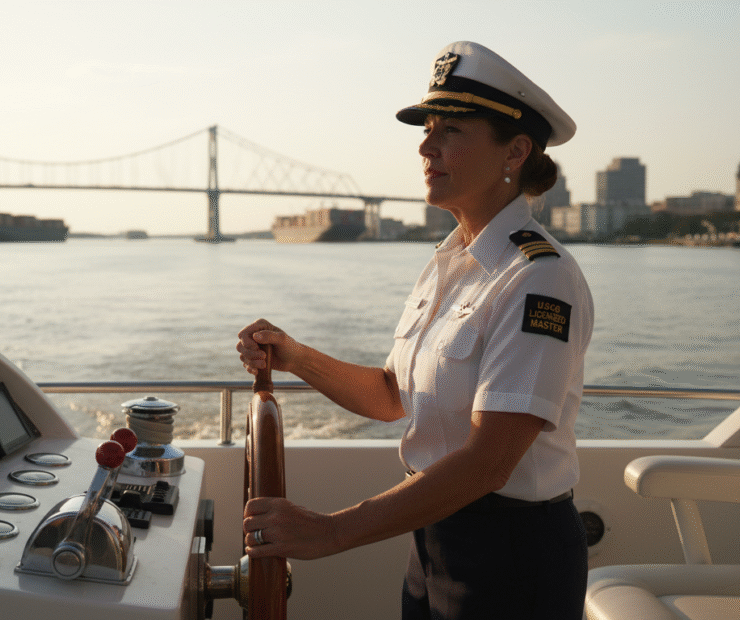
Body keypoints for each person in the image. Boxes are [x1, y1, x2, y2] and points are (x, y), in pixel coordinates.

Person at [236, 41, 593, 619]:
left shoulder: (537, 278)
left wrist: (331, 531)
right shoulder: (451, 263)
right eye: (427, 130)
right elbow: (391, 396)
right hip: (433, 539)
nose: (427, 147)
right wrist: (295, 356)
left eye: (451, 131)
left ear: (516, 151)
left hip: (511, 558)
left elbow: (487, 463)